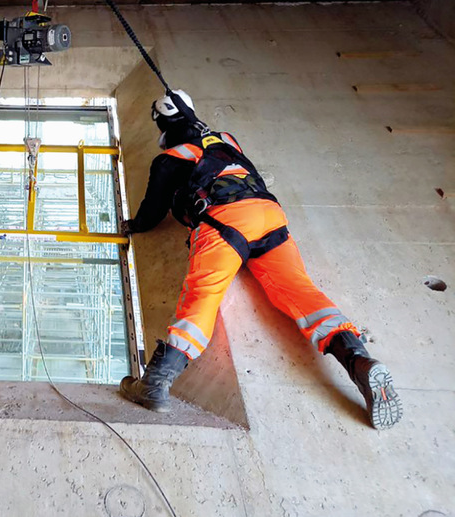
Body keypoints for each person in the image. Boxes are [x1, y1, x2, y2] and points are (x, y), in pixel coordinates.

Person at [119, 90, 402, 430]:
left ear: (161, 126)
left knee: (203, 296)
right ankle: (358, 360)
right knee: (301, 293)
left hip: (223, 221)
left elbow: (153, 212)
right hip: (271, 217)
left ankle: (156, 380)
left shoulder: (169, 159)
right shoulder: (226, 139)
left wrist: (134, 225)